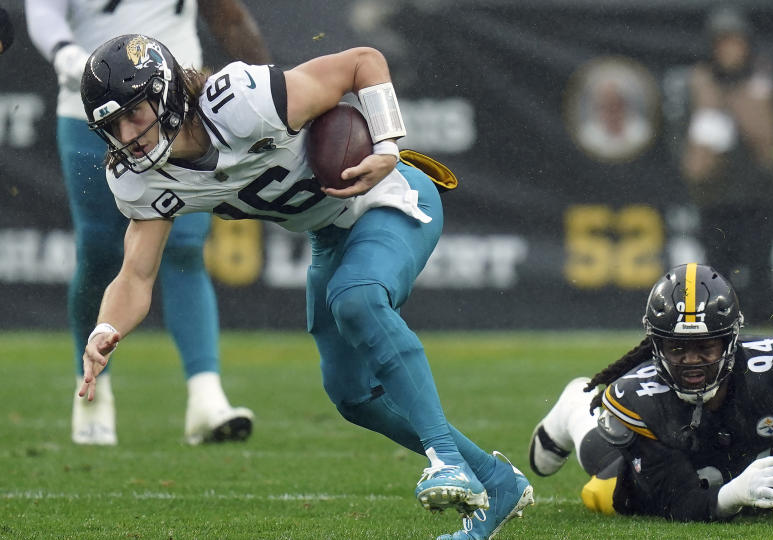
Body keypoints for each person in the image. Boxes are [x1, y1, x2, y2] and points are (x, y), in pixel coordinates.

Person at [76, 34, 533, 539]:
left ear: (163, 94)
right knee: (352, 394)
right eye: (110, 126)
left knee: (356, 299)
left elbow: (364, 62)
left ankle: (448, 462)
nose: (126, 135)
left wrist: (386, 145)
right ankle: (495, 481)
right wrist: (104, 328)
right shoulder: (142, 179)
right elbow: (135, 276)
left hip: (388, 197)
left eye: (132, 115)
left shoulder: (240, 102)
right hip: (329, 232)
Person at [25, 0, 271, 446]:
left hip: (176, 103)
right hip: (94, 113)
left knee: (184, 250)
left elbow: (227, 16)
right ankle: (92, 393)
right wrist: (68, 56)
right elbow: (43, 13)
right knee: (100, 251)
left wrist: (269, 88)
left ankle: (205, 394)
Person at [529, 263, 773, 525]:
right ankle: (573, 406)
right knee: (600, 491)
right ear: (656, 348)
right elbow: (678, 501)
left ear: (731, 342)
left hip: (748, 447)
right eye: (677, 349)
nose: (692, 362)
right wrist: (730, 497)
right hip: (676, 471)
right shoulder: (638, 398)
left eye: (704, 347)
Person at [679, 6, 773, 323]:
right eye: (723, 43)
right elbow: (679, 136)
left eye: (736, 42)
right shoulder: (698, 83)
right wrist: (694, 172)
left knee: (761, 268)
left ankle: (761, 332)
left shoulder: (767, 79)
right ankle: (719, 330)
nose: (730, 51)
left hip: (760, 193)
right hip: (715, 195)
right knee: (716, 271)